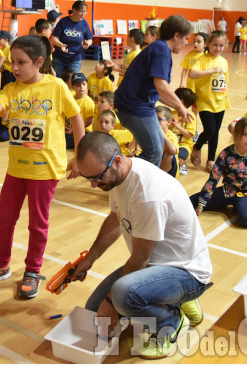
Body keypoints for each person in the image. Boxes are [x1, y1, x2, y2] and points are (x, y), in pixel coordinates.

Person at [0, 35, 85, 299]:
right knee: (5, 219)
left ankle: (33, 270)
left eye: (21, 62)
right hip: (16, 168)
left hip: (45, 171)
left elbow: (77, 118)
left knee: (37, 225)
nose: (15, 67)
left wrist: (80, 156)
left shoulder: (56, 86)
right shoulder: (11, 89)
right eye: (13, 61)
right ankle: (1, 265)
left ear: (39, 62)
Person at [72, 132, 213, 360]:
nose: (93, 184)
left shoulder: (148, 195)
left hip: (187, 272)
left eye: (97, 177)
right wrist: (90, 258)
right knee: (93, 309)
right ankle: (173, 300)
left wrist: (111, 303)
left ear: (117, 160)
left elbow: (139, 259)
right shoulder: (120, 175)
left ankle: (172, 321)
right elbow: (115, 220)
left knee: (121, 296)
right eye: (88, 178)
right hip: (158, 267)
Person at [114, 15, 193, 167]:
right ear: (176, 35)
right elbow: (161, 85)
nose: (186, 43)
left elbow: (157, 92)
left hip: (140, 105)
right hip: (133, 106)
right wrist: (179, 106)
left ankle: (135, 183)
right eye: (186, 38)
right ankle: (123, 180)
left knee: (156, 151)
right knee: (153, 152)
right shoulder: (161, 50)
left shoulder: (160, 48)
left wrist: (177, 105)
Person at [190, 117, 247, 228]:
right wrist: (202, 203)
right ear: (237, 135)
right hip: (227, 191)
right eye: (245, 135)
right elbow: (214, 178)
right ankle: (230, 203)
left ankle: (242, 205)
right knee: (190, 202)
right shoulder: (226, 154)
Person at [189, 30, 229, 171]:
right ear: (208, 44)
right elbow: (192, 73)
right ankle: (197, 146)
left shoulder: (224, 61)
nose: (218, 48)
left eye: (221, 45)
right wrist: (211, 70)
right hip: (205, 101)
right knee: (210, 130)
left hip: (220, 101)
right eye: (215, 45)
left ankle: (211, 160)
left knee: (216, 132)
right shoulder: (202, 59)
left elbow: (224, 81)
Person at [51, 0, 93, 77]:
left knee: (72, 81)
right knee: (58, 80)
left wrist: (88, 43)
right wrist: (61, 45)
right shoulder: (63, 21)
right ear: (74, 10)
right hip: (59, 58)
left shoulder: (84, 23)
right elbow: (54, 38)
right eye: (81, 11)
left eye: (85, 12)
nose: (83, 14)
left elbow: (90, 39)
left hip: (75, 60)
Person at [172, 88, 197, 176]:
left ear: (181, 101)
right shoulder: (171, 113)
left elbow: (189, 135)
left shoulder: (191, 116)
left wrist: (177, 125)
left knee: (178, 158)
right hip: (171, 143)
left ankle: (182, 163)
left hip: (184, 144)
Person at [65, 72, 94, 149]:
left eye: (83, 84)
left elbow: (89, 120)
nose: (81, 87)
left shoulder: (88, 101)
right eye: (78, 85)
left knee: (64, 143)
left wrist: (74, 129)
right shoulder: (71, 98)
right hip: (71, 128)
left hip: (84, 131)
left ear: (86, 85)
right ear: (73, 87)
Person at [155, 105, 180, 177]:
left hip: (169, 172)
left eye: (159, 119)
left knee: (169, 155)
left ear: (169, 122)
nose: (155, 122)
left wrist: (161, 133)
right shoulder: (150, 133)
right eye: (154, 119)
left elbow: (172, 150)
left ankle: (158, 179)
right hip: (156, 162)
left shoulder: (171, 136)